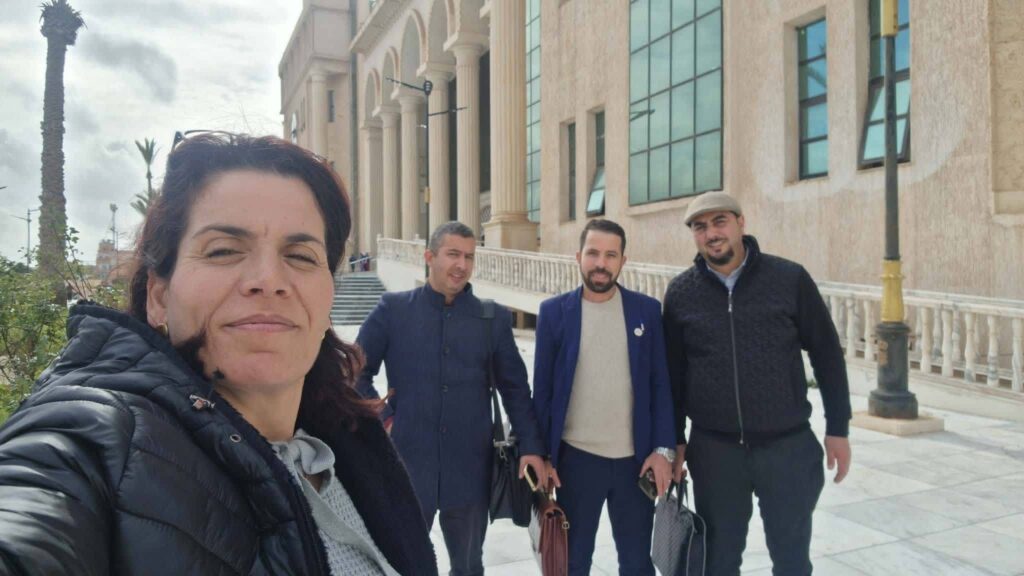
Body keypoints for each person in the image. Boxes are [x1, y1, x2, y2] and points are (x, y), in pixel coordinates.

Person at [0, 132, 436, 575]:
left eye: (301, 256)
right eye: (224, 250)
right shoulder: (98, 442)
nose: (269, 280)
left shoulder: (353, 443)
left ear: (328, 299)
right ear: (158, 295)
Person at [663, 191, 852, 576]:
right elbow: (674, 375)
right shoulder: (681, 294)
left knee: (792, 560)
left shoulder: (789, 279)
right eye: (700, 227)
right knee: (718, 562)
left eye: (719, 222)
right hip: (715, 452)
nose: (711, 234)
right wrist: (676, 440)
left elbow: (827, 354)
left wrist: (838, 428)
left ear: (740, 223)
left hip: (786, 447)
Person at [356, 221, 546, 576]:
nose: (462, 264)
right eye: (453, 254)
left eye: (469, 257)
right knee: (405, 564)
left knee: (469, 566)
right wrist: (384, 419)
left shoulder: (492, 318)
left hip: (471, 469)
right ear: (430, 257)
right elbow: (354, 373)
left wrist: (532, 448)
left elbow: (516, 391)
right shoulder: (394, 310)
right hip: (408, 464)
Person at [533, 219, 676, 576]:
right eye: (593, 253)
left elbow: (661, 384)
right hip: (577, 462)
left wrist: (664, 451)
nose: (601, 263)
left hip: (636, 463)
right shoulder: (554, 313)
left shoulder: (646, 311)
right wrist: (543, 456)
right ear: (578, 257)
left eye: (611, 255)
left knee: (637, 564)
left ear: (623, 261)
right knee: (573, 563)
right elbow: (543, 392)